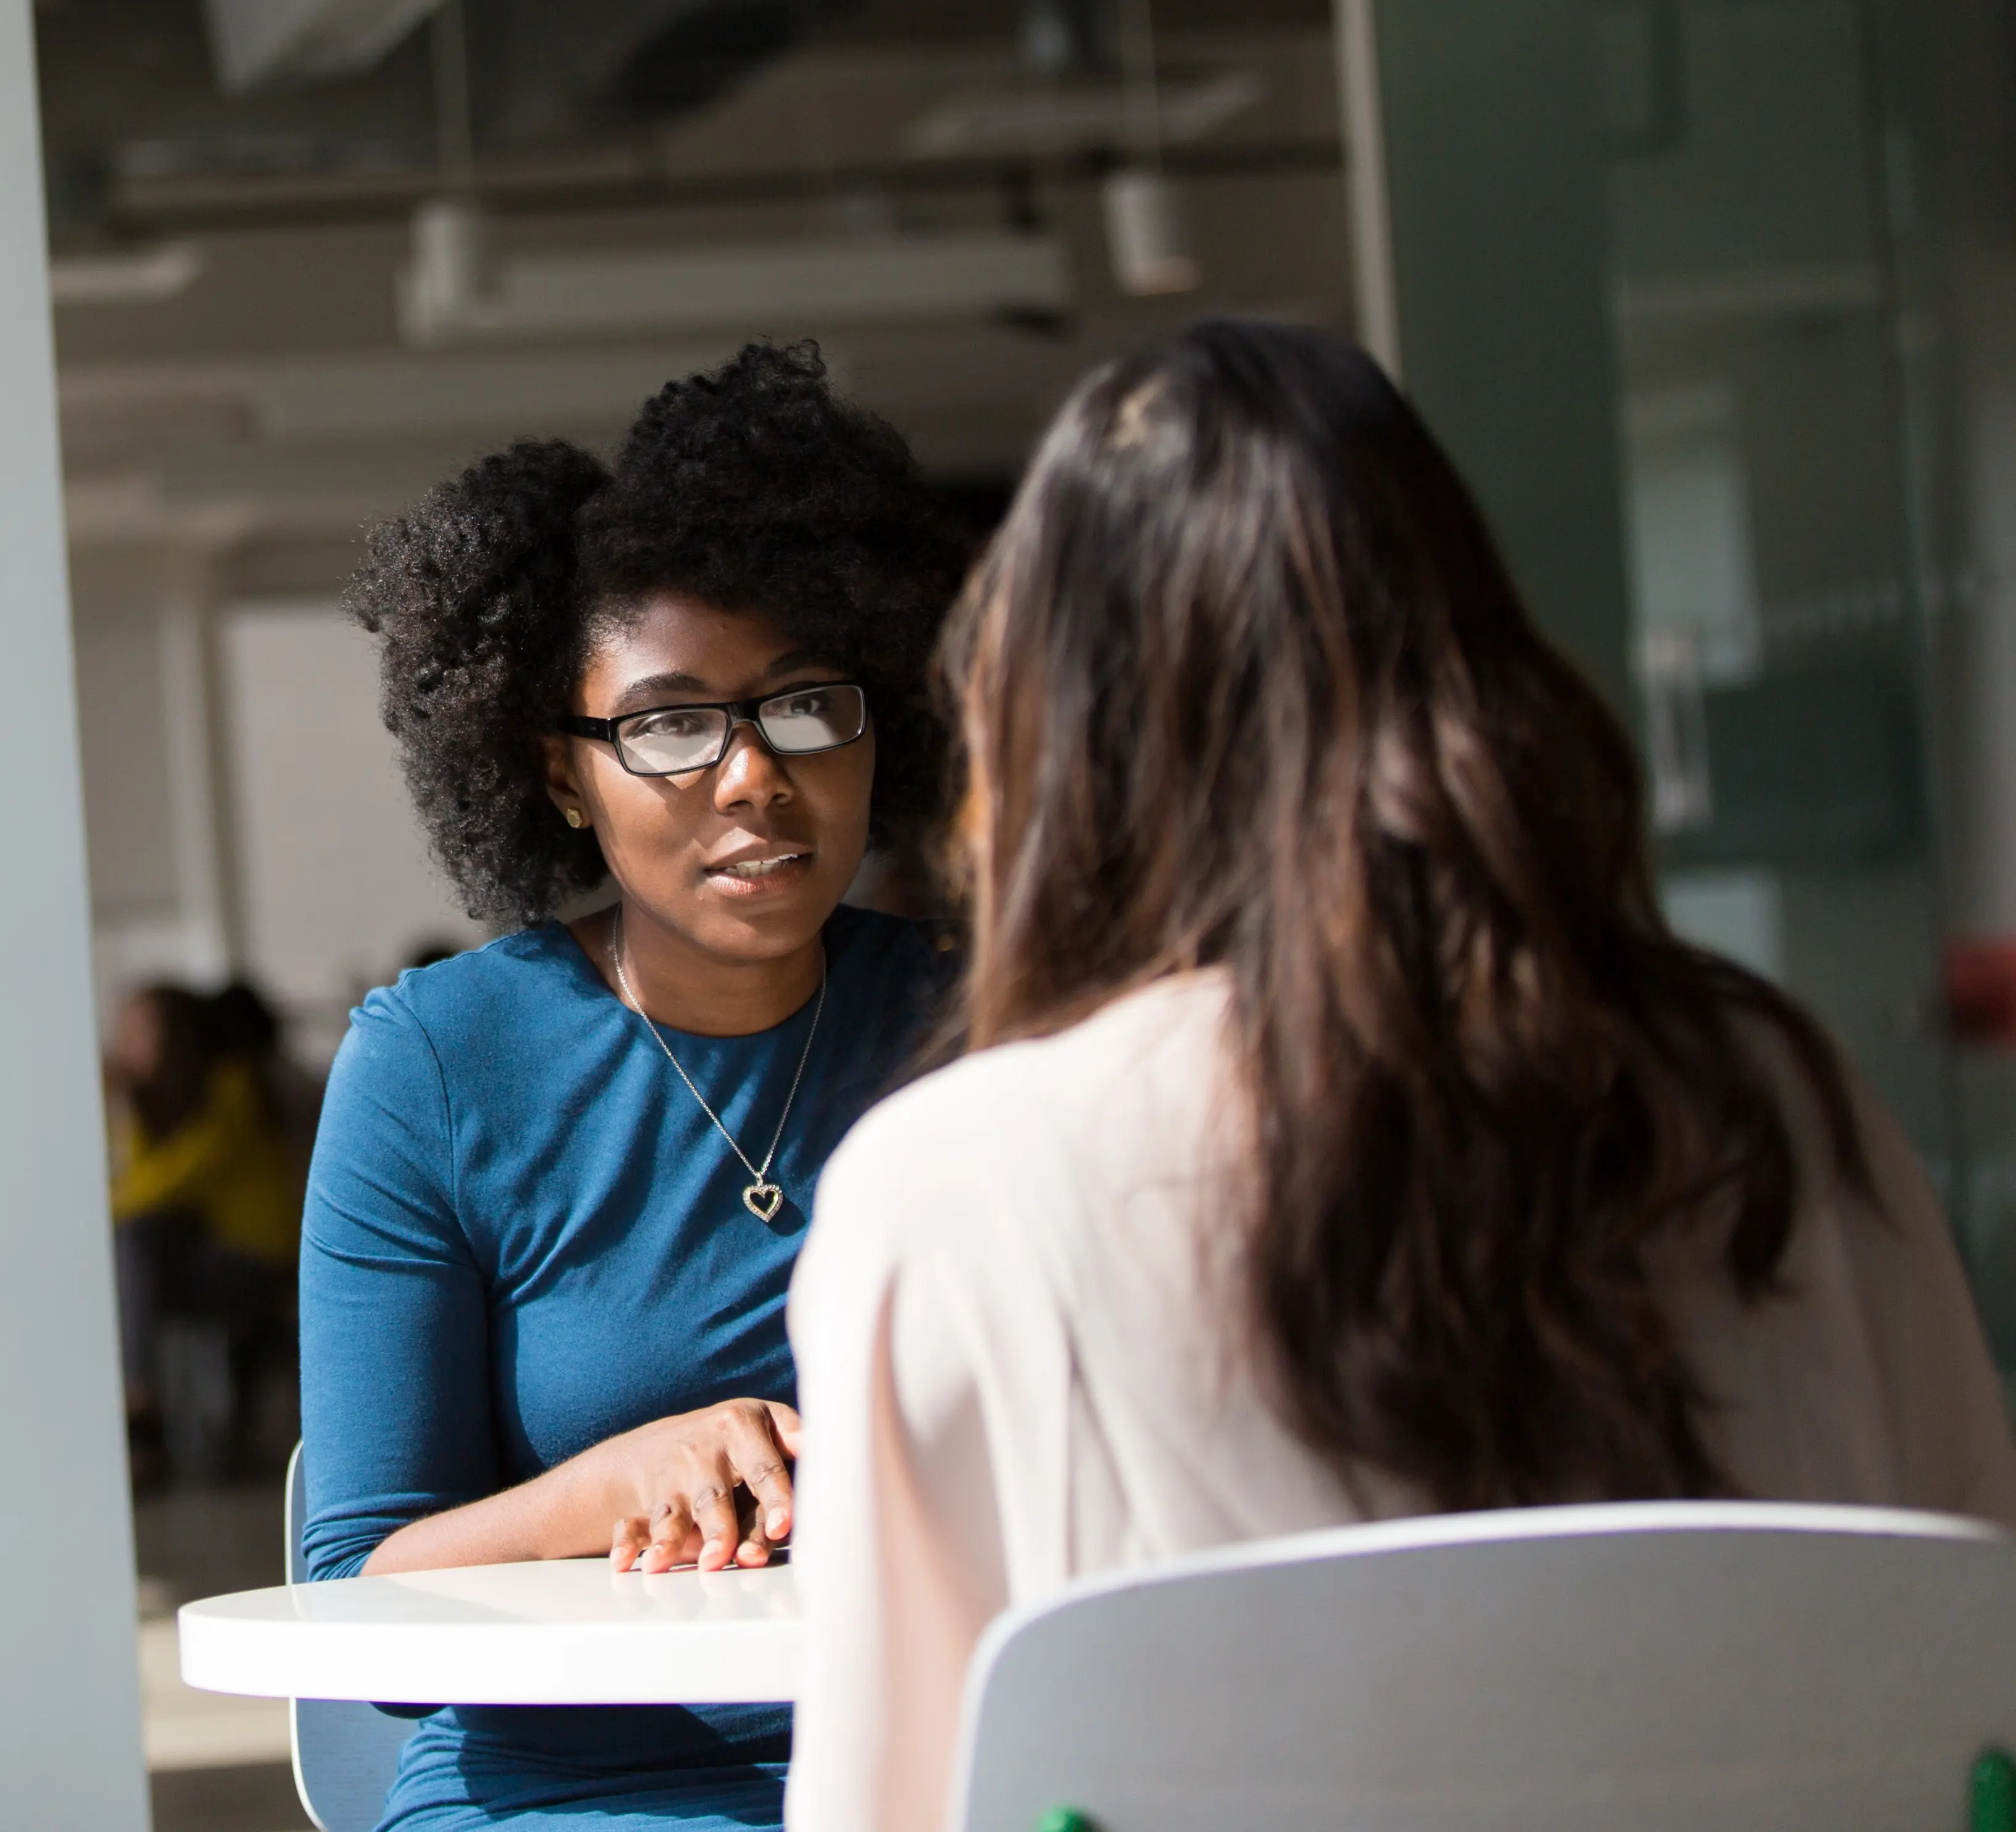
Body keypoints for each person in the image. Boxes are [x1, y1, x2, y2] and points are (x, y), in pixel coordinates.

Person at [784, 321, 2016, 1832]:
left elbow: (877, 1807)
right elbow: (1975, 1684)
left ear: (1055, 734)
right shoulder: (1778, 1096)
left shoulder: (956, 1189)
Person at [306, 342, 970, 1831]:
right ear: (557, 773)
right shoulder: (436, 1063)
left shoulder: (973, 1017)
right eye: (670, 725)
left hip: (944, 1760)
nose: (752, 775)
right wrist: (618, 1482)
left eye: (805, 705)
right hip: (574, 1789)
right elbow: (355, 1600)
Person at [107, 981, 302, 1486]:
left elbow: (173, 1181)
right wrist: (128, 1109)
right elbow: (144, 1181)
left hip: (256, 1261)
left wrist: (93, 1212)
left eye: (137, 1033)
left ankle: (137, 1405)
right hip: (206, 1255)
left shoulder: (231, 1088)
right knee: (132, 1249)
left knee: (131, 1246)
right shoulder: (160, 1104)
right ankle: (137, 1408)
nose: (125, 1047)